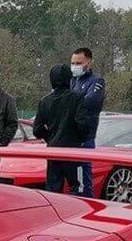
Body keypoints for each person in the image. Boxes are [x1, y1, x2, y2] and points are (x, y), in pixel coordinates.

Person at [33, 64, 92, 195]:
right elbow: (83, 124)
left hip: (53, 152)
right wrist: (80, 139)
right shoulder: (77, 98)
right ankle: (78, 214)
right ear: (69, 79)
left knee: (53, 191)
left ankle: (55, 214)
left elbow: (37, 130)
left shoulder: (44, 101)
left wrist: (51, 138)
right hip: (72, 151)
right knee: (78, 188)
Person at [68, 47, 105, 197]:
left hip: (85, 137)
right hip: (70, 136)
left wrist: (70, 101)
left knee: (83, 178)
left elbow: (90, 101)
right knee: (71, 179)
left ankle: (88, 205)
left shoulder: (97, 81)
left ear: (88, 62)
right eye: (72, 63)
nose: (75, 66)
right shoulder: (71, 81)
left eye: (78, 63)